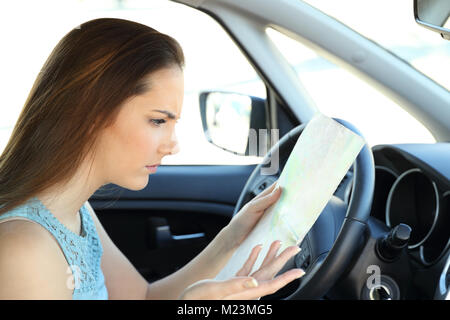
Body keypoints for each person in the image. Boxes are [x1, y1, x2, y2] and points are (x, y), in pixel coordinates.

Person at [0, 18, 305, 300]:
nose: (173, 146)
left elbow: (142, 298)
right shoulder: (23, 249)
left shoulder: (75, 210)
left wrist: (231, 240)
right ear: (91, 112)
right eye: (158, 121)